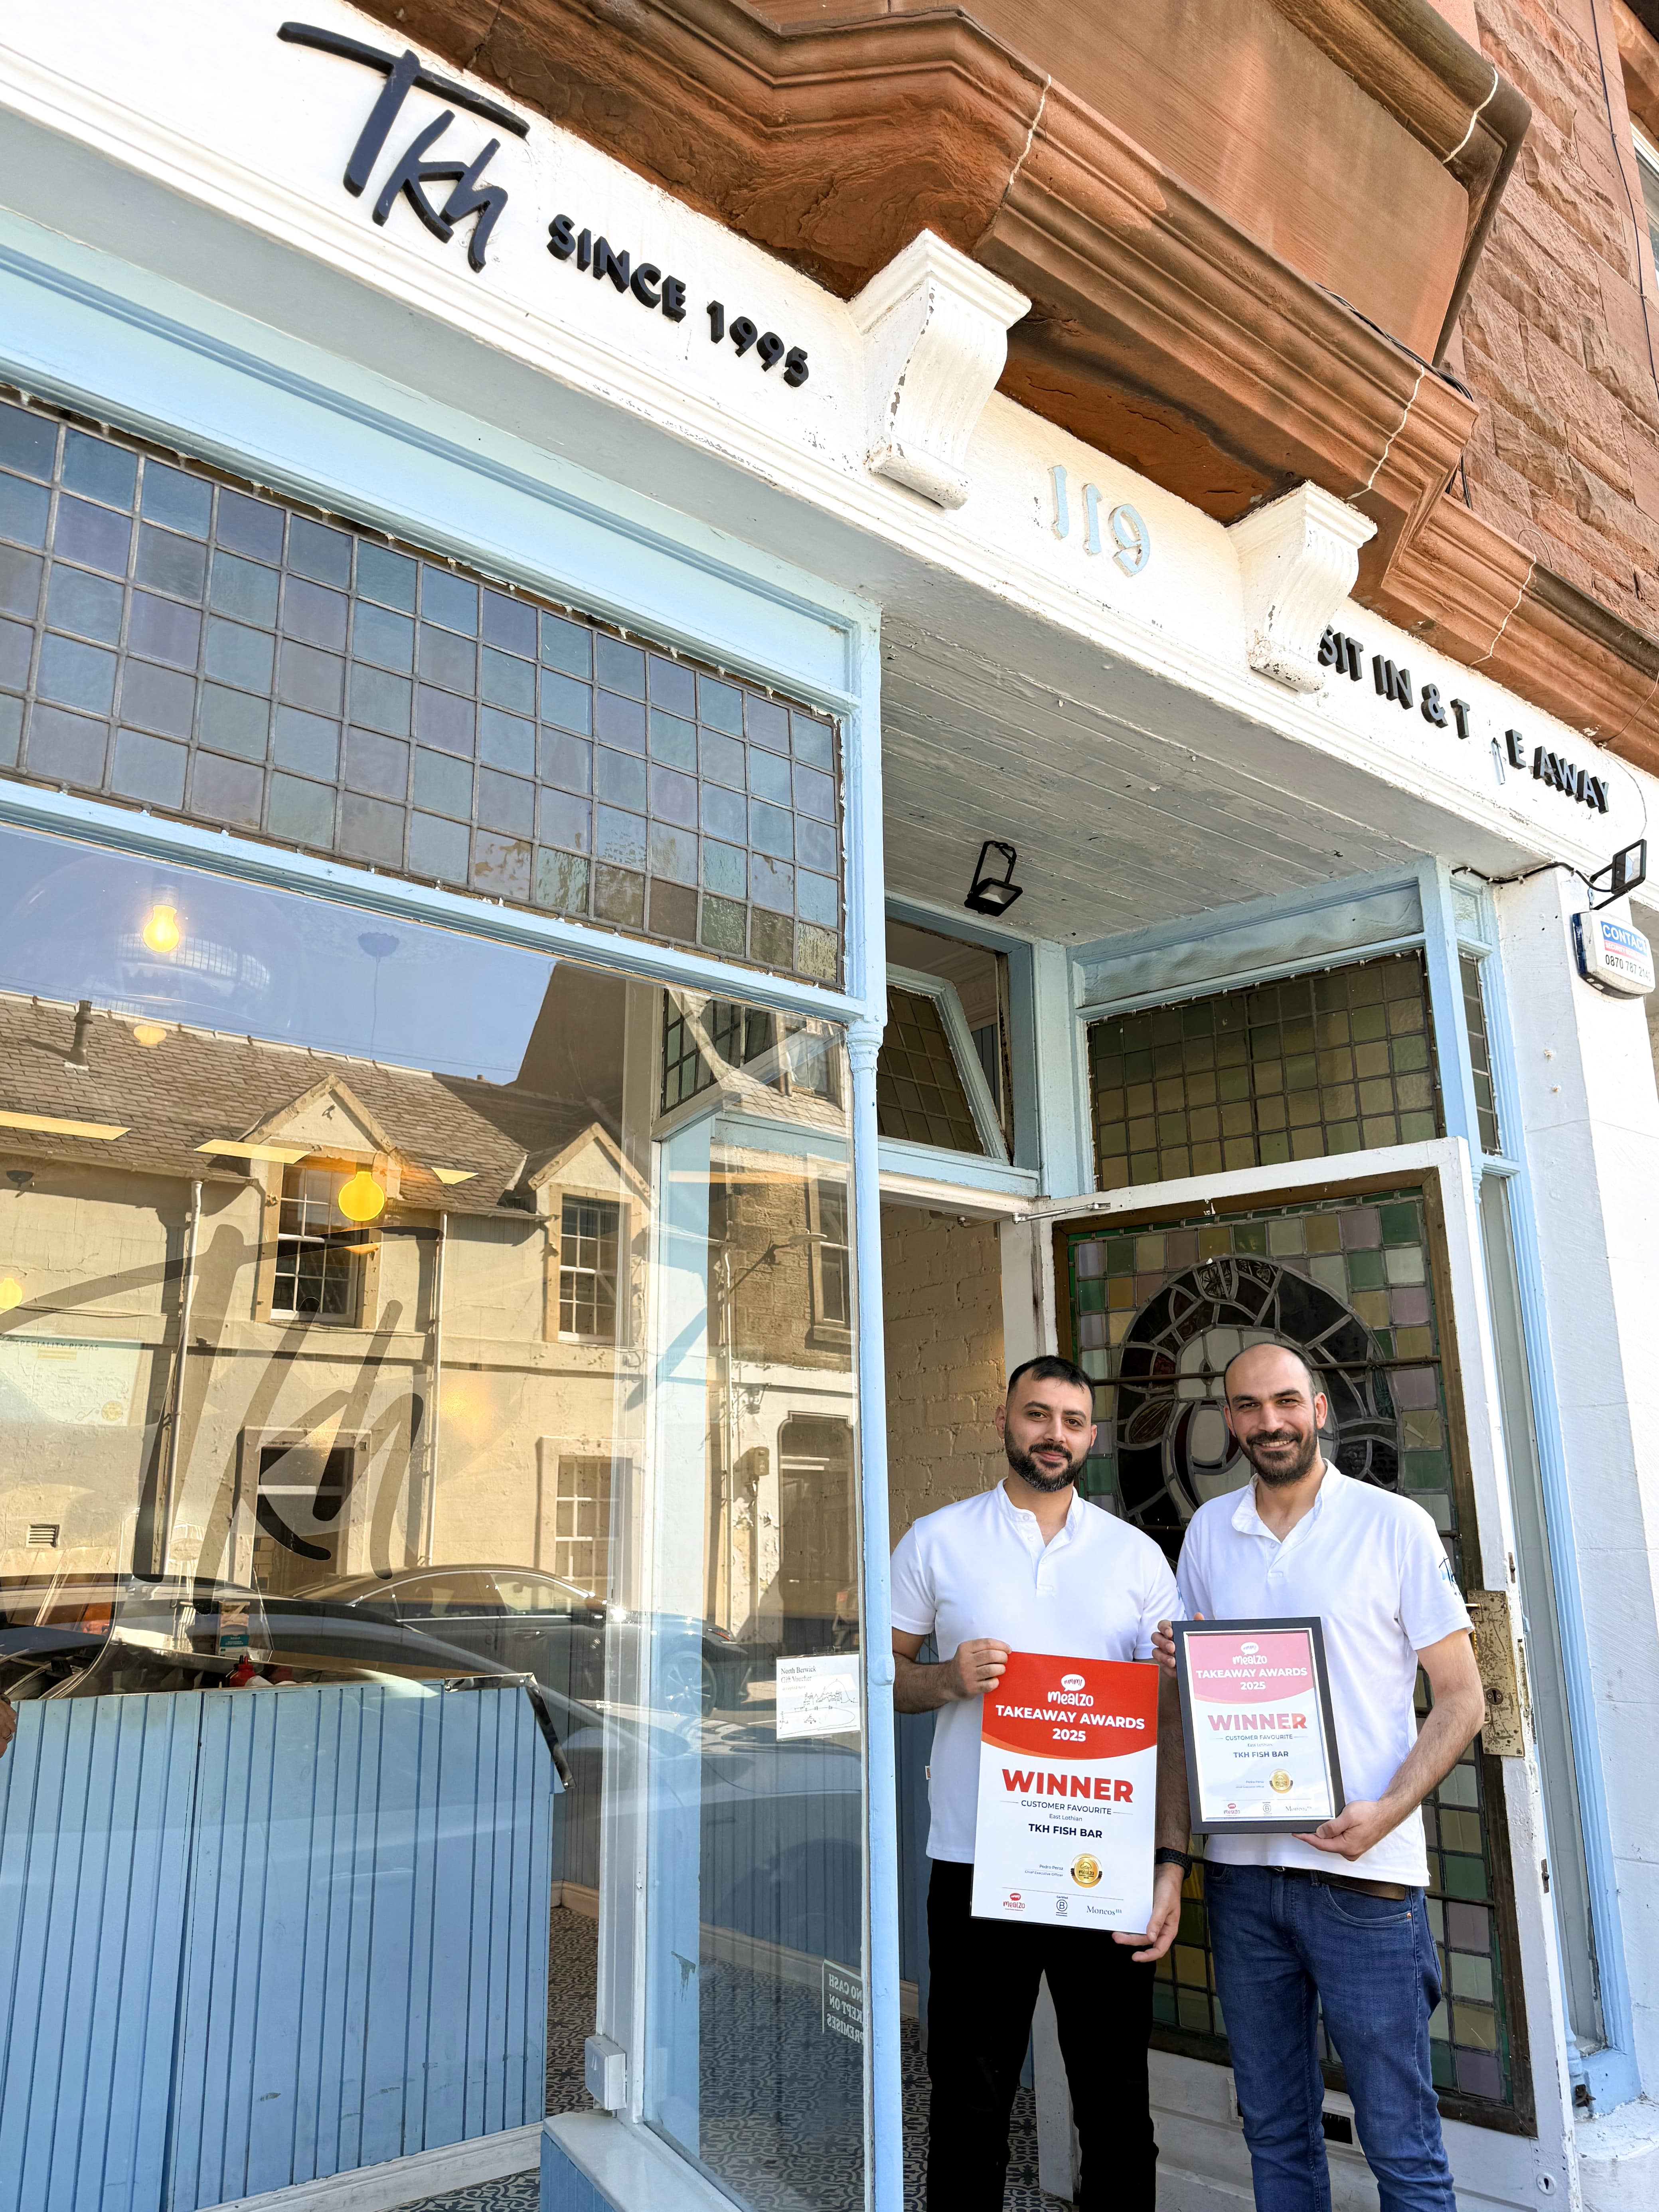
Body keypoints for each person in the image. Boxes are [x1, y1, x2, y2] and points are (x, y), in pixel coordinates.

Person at [1157, 1341, 1485, 2212]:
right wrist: (1177, 1667)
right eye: (1250, 1407)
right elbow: (1197, 1708)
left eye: (1286, 1402)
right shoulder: (1208, 1534)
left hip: (1364, 1882)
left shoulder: (1393, 1526)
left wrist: (1385, 1813)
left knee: (1401, 2145)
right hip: (1244, 1880)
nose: (1270, 1422)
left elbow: (1461, 1700)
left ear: (1320, 1408)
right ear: (1228, 1421)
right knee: (1275, 2133)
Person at [890, 1353, 1191, 2212]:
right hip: (979, 1865)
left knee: (1117, 2108)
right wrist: (948, 1679)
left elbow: (1170, 1727)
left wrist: (1170, 1860)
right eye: (1036, 1415)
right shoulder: (938, 1541)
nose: (1052, 1435)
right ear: (1004, 1422)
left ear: (1089, 1438)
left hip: (1107, 1868)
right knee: (971, 2102)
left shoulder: (1135, 1559)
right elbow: (880, 1677)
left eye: (1069, 1421)